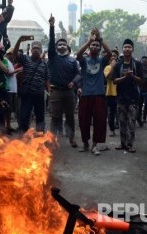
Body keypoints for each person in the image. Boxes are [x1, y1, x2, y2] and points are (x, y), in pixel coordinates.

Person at [76, 27, 112, 155]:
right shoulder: (85, 60)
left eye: (97, 45)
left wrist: (100, 39)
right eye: (93, 45)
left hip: (99, 95)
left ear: (100, 47)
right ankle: (85, 143)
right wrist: (88, 41)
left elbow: (110, 53)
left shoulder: (102, 60)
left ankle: (94, 145)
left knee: (100, 121)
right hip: (85, 95)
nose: (95, 47)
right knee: (83, 121)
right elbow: (78, 55)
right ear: (89, 47)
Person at [47, 14, 80, 148]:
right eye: (59, 44)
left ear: (67, 46)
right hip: (55, 92)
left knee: (70, 117)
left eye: (63, 43)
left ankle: (71, 138)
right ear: (56, 47)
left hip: (69, 93)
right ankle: (52, 139)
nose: (61, 45)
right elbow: (51, 42)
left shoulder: (72, 60)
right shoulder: (53, 57)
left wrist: (74, 81)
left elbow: (78, 74)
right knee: (55, 117)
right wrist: (52, 26)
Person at [13, 36, 50, 133]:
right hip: (27, 94)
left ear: (41, 50)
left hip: (39, 94)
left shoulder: (44, 64)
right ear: (31, 50)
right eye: (34, 48)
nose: (36, 50)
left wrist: (49, 92)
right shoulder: (25, 59)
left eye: (38, 48)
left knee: (40, 117)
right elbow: (14, 53)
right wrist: (19, 40)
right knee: (24, 116)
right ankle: (23, 137)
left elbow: (47, 79)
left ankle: (40, 136)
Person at [113, 39, 143, 152]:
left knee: (131, 122)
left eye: (129, 47)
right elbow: (114, 81)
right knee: (121, 122)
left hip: (134, 98)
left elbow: (142, 80)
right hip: (121, 98)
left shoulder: (137, 64)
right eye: (125, 47)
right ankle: (122, 143)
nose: (127, 49)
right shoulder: (118, 65)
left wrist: (132, 76)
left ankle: (130, 144)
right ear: (122, 49)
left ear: (133, 49)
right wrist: (125, 77)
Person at [104, 49, 119, 137]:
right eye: (111, 55)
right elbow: (109, 77)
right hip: (110, 93)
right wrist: (113, 67)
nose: (113, 57)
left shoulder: (120, 66)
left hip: (120, 92)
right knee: (111, 112)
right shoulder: (107, 67)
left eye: (114, 56)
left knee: (120, 112)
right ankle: (112, 129)